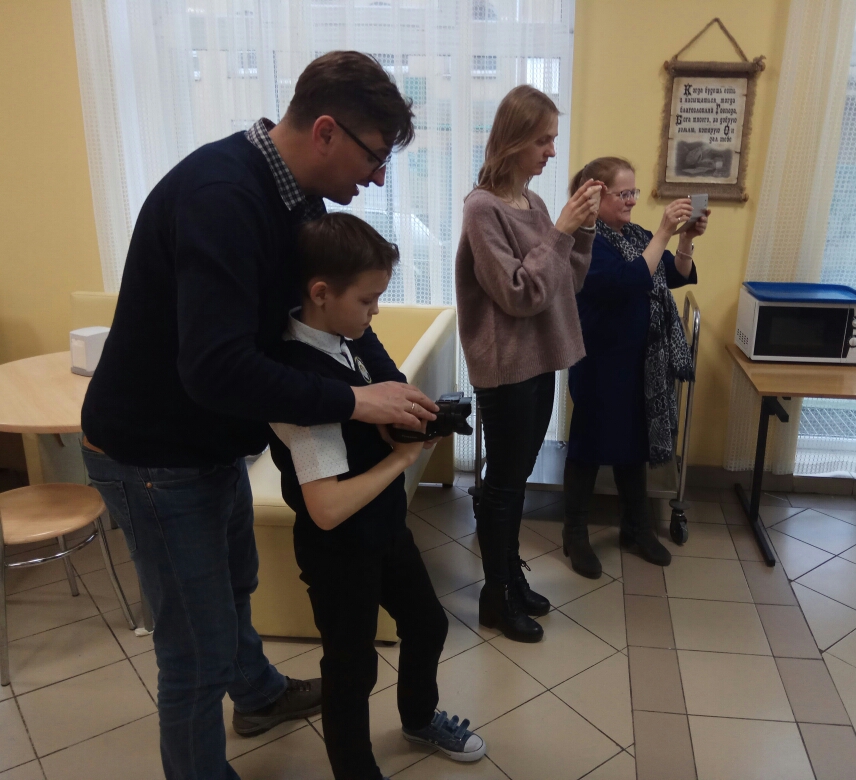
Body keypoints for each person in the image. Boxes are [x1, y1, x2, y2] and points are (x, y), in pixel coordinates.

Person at [79, 52, 439, 780]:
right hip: (153, 453)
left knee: (235, 584)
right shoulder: (221, 197)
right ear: (327, 131)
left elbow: (331, 321)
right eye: (374, 157)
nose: (377, 178)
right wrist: (353, 400)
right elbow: (214, 367)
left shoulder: (299, 200)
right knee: (195, 647)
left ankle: (260, 695)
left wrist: (392, 388)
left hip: (212, 439)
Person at [266, 213, 485, 780]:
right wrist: (403, 458)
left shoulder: (346, 336)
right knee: (352, 668)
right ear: (321, 293)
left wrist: (409, 420)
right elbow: (326, 508)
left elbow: (383, 389)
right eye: (368, 300)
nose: (376, 312)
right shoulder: (300, 383)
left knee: (428, 625)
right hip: (339, 551)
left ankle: (419, 719)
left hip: (382, 528)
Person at [455, 85, 603, 643]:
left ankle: (510, 580)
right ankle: (495, 595)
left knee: (513, 481)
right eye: (542, 140)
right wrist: (562, 231)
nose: (551, 152)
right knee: (503, 484)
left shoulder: (535, 204)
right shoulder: (482, 208)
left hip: (539, 359)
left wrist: (583, 229)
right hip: (506, 367)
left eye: (553, 140)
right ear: (513, 140)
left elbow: (566, 282)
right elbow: (519, 293)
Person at [562, 157, 710, 578]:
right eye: (623, 193)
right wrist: (664, 231)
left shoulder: (636, 235)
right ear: (597, 194)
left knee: (635, 444)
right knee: (588, 446)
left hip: (641, 362)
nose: (631, 200)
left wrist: (685, 239)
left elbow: (673, 274)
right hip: (600, 360)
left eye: (633, 192)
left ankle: (636, 527)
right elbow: (629, 280)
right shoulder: (584, 242)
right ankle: (575, 534)